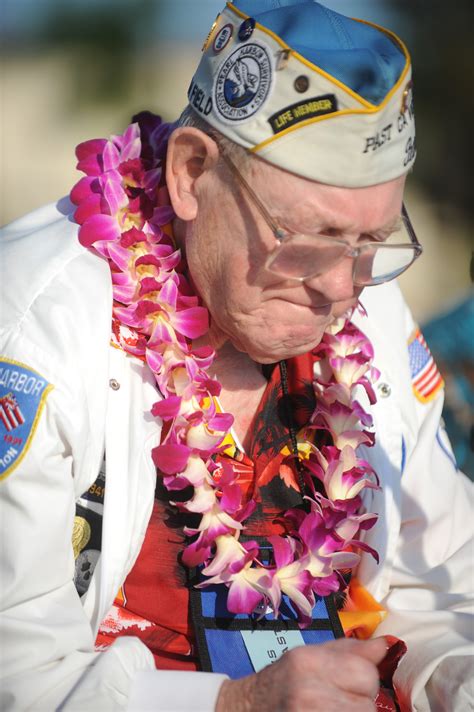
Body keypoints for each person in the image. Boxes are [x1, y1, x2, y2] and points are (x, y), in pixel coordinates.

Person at [1, 1, 472, 710]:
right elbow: (17, 674)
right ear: (192, 174)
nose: (343, 288)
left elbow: (432, 584)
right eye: (309, 240)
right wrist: (237, 703)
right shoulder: (33, 327)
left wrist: (452, 678)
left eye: (373, 244)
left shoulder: (371, 305)